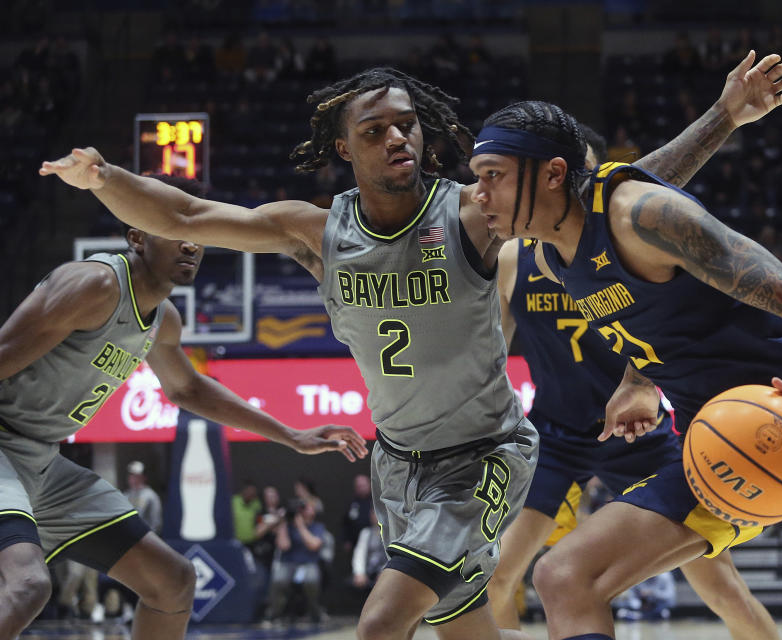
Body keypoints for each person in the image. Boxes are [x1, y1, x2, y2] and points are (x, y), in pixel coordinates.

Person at [41, 69, 538, 640]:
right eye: (375, 131)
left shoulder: (472, 214)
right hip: (398, 464)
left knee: (380, 624)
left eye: (407, 125)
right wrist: (104, 177)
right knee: (465, 629)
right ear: (343, 148)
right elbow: (185, 216)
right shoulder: (318, 231)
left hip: (482, 454)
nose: (398, 139)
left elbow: (581, 210)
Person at [467, 97, 782, 639]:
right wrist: (638, 380)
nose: (478, 193)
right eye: (477, 177)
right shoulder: (547, 257)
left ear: (555, 174)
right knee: (564, 575)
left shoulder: (645, 216)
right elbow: (646, 318)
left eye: (494, 175)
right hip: (717, 443)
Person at [0, 175, 367, 640]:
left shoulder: (162, 320)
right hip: (3, 443)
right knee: (29, 586)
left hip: (43, 464)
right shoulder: (92, 284)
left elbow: (189, 390)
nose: (192, 244)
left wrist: (291, 435)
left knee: (173, 582)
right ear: (136, 236)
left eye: (196, 235)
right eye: (174, 232)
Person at [489, 73, 782, 636]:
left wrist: (642, 379)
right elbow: (488, 354)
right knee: (498, 575)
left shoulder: (625, 233)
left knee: (718, 580)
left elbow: (655, 183)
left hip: (634, 428)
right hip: (554, 432)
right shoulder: (516, 256)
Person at [265, 499, 326, 622]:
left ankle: (314, 612)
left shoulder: (317, 527)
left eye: (306, 508)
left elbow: (314, 545)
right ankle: (275, 613)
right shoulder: (286, 526)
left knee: (311, 580)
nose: (304, 511)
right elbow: (284, 545)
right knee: (278, 579)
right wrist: (282, 522)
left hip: (308, 563)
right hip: (288, 563)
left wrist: (300, 526)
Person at [124, 460, 162, 532]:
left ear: (144, 477)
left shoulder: (151, 496)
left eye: (137, 476)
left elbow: (156, 522)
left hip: (144, 537)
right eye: (132, 476)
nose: (134, 479)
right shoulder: (125, 495)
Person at [342, 473, 373, 553]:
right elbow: (346, 523)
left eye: (363, 485)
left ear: (369, 485)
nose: (361, 488)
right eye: (359, 486)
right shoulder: (352, 504)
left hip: (373, 540)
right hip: (355, 542)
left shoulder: (376, 502)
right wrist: (346, 540)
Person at [233, 479, 263, 549]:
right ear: (244, 491)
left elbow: (259, 519)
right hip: (236, 541)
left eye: (253, 493)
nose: (251, 494)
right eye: (249, 492)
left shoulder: (256, 503)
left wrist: (259, 524)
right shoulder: (234, 501)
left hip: (252, 542)